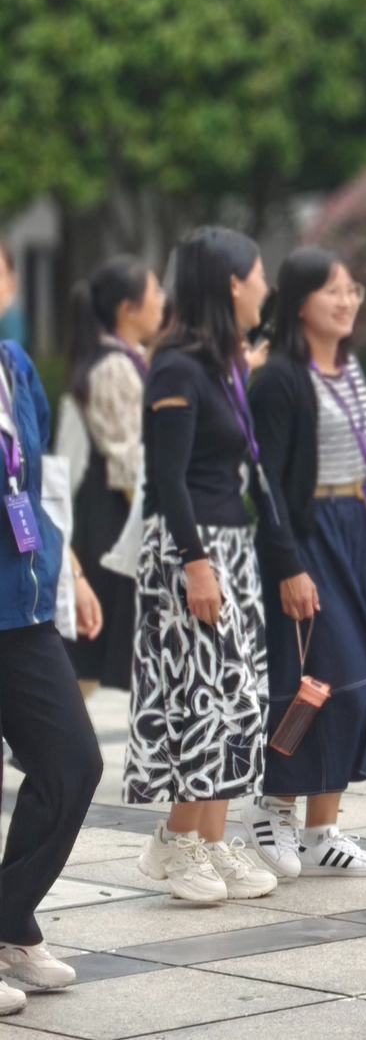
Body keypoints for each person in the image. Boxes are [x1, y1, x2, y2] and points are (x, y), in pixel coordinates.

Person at [124, 227, 292, 904]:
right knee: (199, 699)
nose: (265, 288)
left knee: (239, 699)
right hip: (190, 548)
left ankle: (209, 836)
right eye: (257, 275)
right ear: (230, 283)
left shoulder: (223, 364)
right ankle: (178, 839)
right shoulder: (176, 367)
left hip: (232, 543)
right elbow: (168, 477)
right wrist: (196, 563)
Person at [240, 249, 366, 880]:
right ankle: (272, 806)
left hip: (354, 526)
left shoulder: (349, 368)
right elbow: (266, 481)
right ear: (299, 301)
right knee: (321, 674)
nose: (346, 300)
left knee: (362, 682)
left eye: (351, 288)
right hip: (309, 534)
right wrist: (288, 565)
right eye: (332, 291)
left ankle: (322, 829)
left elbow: (349, 446)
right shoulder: (277, 376)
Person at [0, 241, 104, 1013]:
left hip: (22, 605)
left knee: (72, 761)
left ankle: (8, 920)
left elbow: (37, 482)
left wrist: (68, 570)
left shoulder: (14, 365)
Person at [62, 254, 165, 693]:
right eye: (156, 292)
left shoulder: (130, 359)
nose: (163, 301)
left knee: (93, 658)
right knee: (88, 655)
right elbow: (129, 463)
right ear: (128, 308)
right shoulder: (113, 367)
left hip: (115, 524)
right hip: (108, 528)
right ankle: (50, 751)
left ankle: (55, 753)